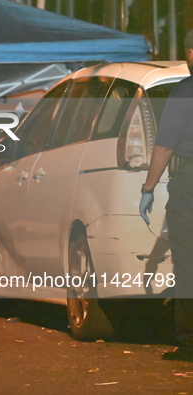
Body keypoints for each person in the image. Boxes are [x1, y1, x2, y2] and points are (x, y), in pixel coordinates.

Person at [140, 29, 193, 362]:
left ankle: (189, 342)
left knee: (187, 261)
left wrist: (148, 189)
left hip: (189, 182)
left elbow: (164, 146)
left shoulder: (184, 92)